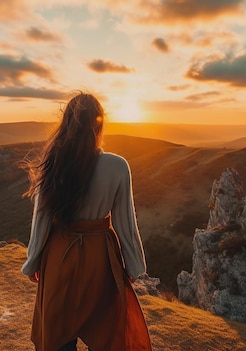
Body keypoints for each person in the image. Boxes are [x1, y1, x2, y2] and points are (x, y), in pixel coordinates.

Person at [21, 92, 152, 351]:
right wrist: (134, 265)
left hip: (59, 256)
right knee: (105, 334)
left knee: (58, 335)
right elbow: (125, 220)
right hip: (100, 259)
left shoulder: (54, 164)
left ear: (67, 124)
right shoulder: (117, 166)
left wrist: (33, 261)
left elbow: (42, 219)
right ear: (99, 125)